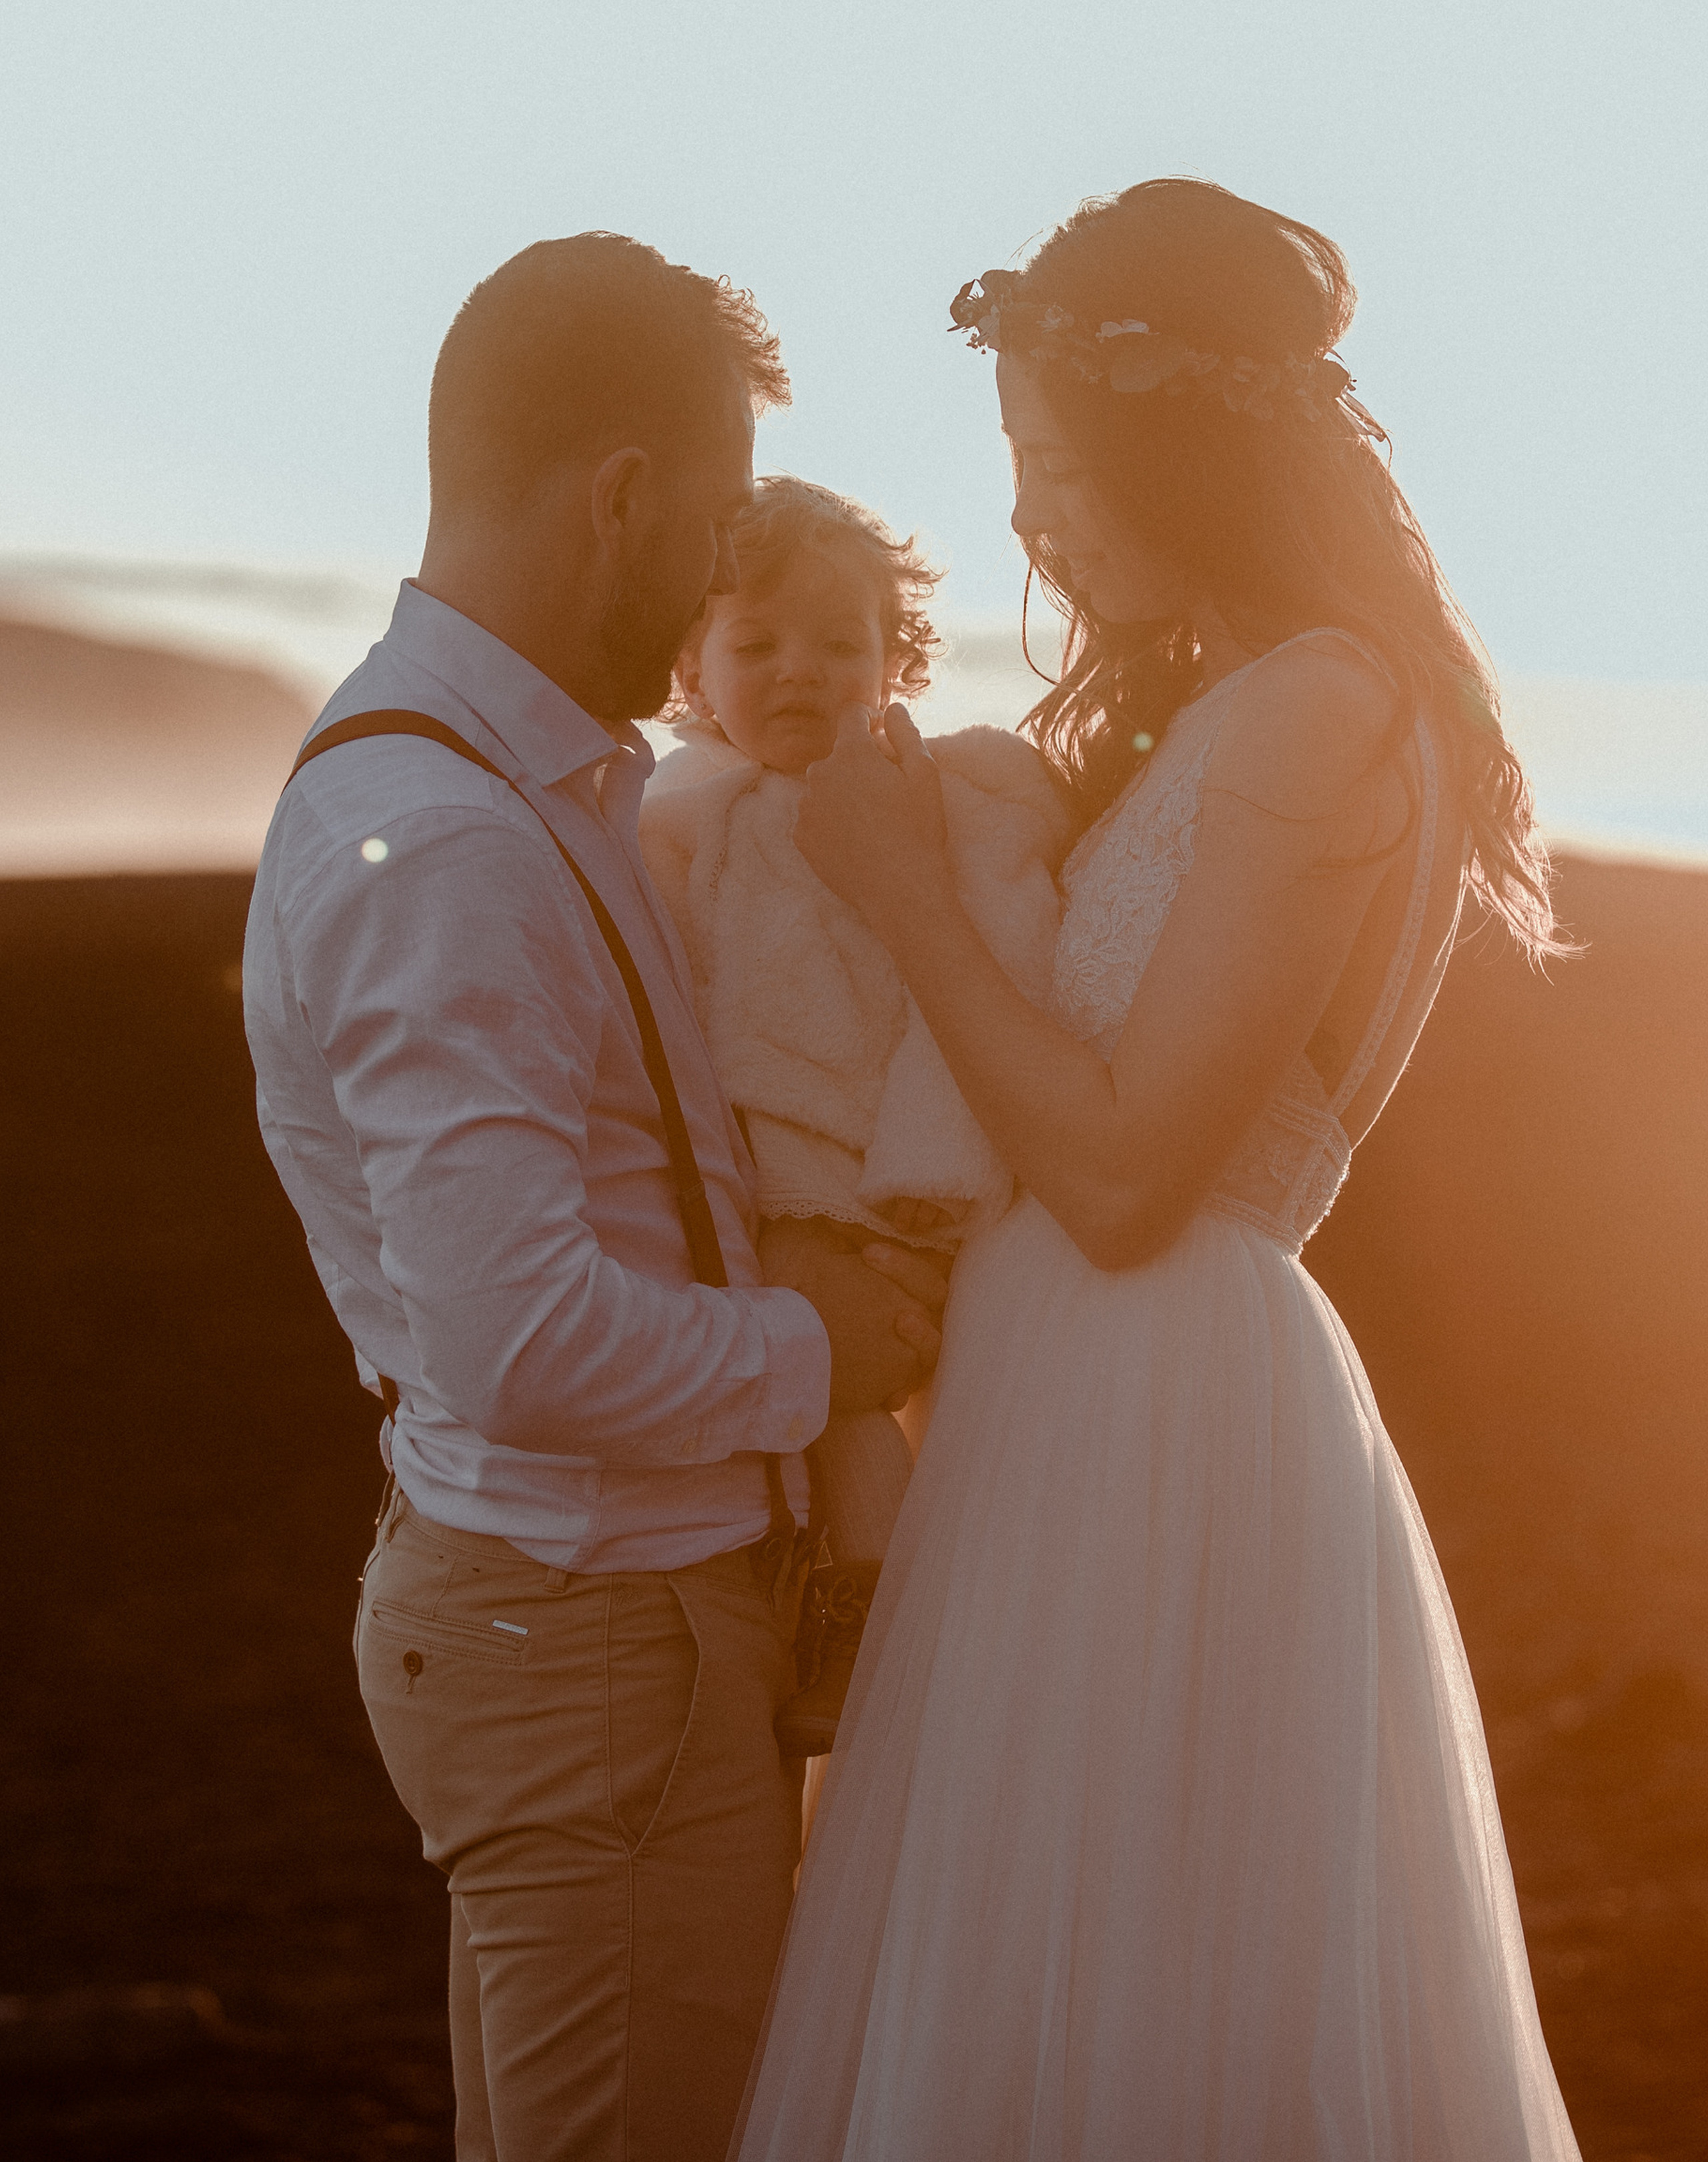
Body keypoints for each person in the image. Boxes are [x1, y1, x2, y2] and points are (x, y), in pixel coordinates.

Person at [732, 179, 1583, 2160]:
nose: (1035, 515)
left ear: (1176, 442)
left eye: (1057, 459)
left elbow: (1126, 1176)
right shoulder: (1248, 698)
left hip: (1157, 1402)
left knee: (1120, 1995)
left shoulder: (1319, 707)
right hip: (1078, 1395)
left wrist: (904, 898)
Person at [242, 233, 948, 2162]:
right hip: (596, 1638)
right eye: (713, 522)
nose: (727, 574)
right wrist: (829, 1342)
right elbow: (523, 1337)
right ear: (625, 498)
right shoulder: (452, 840)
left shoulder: (530, 783)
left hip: (579, 1628)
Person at [638, 474, 1070, 1750]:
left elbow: (996, 954)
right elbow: (672, 1003)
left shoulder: (937, 800)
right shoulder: (682, 824)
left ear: (898, 661)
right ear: (695, 668)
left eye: (842, 645)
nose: (799, 674)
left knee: (860, 1391)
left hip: (899, 1163)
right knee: (828, 1401)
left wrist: (932, 1172)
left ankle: (872, 1614)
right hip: (772, 1169)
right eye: (755, 645)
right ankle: (863, 1603)